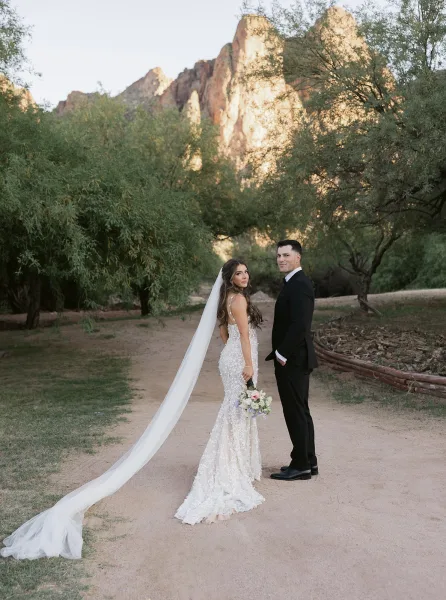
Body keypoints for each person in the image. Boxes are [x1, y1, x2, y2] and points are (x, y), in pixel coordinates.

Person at [175, 258, 264, 524]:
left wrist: (234, 350)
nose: (245, 276)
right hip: (240, 359)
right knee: (238, 410)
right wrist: (247, 363)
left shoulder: (227, 299)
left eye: (246, 272)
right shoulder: (238, 300)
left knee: (235, 408)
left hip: (231, 356)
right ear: (230, 277)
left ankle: (238, 464)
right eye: (239, 273)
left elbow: (224, 331)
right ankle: (232, 467)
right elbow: (245, 336)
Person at [266, 240, 319, 481]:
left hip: (293, 360)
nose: (281, 259)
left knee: (295, 412)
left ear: (298, 257)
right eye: (278, 255)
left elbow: (300, 325)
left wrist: (282, 354)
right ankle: (308, 461)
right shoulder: (294, 283)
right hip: (294, 358)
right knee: (300, 410)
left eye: (286, 255)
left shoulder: (300, 284)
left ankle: (301, 465)